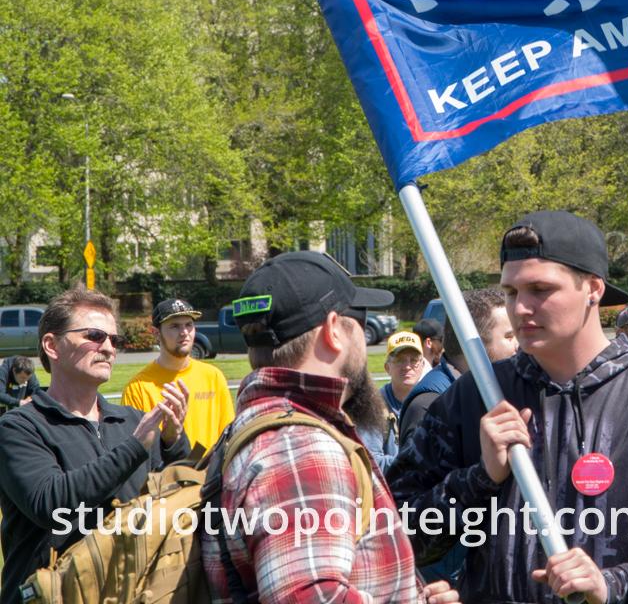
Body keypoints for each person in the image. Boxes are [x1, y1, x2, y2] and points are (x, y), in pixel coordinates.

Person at [390, 210, 628, 603]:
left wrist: (615, 585)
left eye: (540, 289)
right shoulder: (476, 395)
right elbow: (393, 532)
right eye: (511, 292)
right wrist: (479, 479)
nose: (521, 308)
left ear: (593, 289)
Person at [199, 251, 426, 602]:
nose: (364, 340)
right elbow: (310, 597)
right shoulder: (299, 446)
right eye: (360, 320)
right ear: (333, 330)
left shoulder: (260, 426)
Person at [0, 287, 190, 604]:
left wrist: (173, 442)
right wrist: (134, 449)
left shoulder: (131, 421)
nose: (109, 348)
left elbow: (175, 501)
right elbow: (52, 505)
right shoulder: (18, 427)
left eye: (114, 340)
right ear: (52, 346)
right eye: (95, 336)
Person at [397, 287, 518, 446]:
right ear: (475, 345)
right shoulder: (431, 406)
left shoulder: (486, 391)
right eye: (510, 336)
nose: (518, 345)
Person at [121, 297, 234, 452]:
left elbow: (228, 437)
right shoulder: (138, 388)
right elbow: (134, 451)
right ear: (156, 333)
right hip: (165, 468)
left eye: (189, 325)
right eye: (174, 326)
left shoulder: (213, 377)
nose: (184, 332)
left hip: (211, 467)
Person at [362, 330, 426, 474]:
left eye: (414, 360)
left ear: (422, 366)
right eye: (400, 360)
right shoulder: (373, 407)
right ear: (387, 368)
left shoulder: (431, 401)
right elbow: (370, 461)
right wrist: (417, 462)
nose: (407, 366)